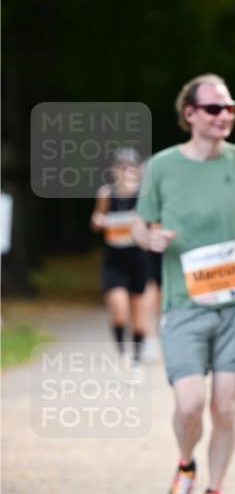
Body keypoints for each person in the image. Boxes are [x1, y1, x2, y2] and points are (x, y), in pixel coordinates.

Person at [132, 73, 235, 494]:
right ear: (190, 114)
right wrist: (152, 239)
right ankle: (184, 464)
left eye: (230, 108)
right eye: (215, 109)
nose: (225, 116)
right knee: (191, 403)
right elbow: (140, 226)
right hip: (183, 302)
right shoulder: (162, 167)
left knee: (227, 408)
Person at [90, 147, 148, 371]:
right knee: (118, 308)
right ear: (114, 170)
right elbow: (97, 219)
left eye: (130, 166)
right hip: (114, 258)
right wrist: (98, 221)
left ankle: (138, 357)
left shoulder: (144, 195)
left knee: (138, 310)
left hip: (138, 258)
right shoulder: (106, 193)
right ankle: (121, 352)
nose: (126, 171)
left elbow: (153, 224)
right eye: (121, 167)